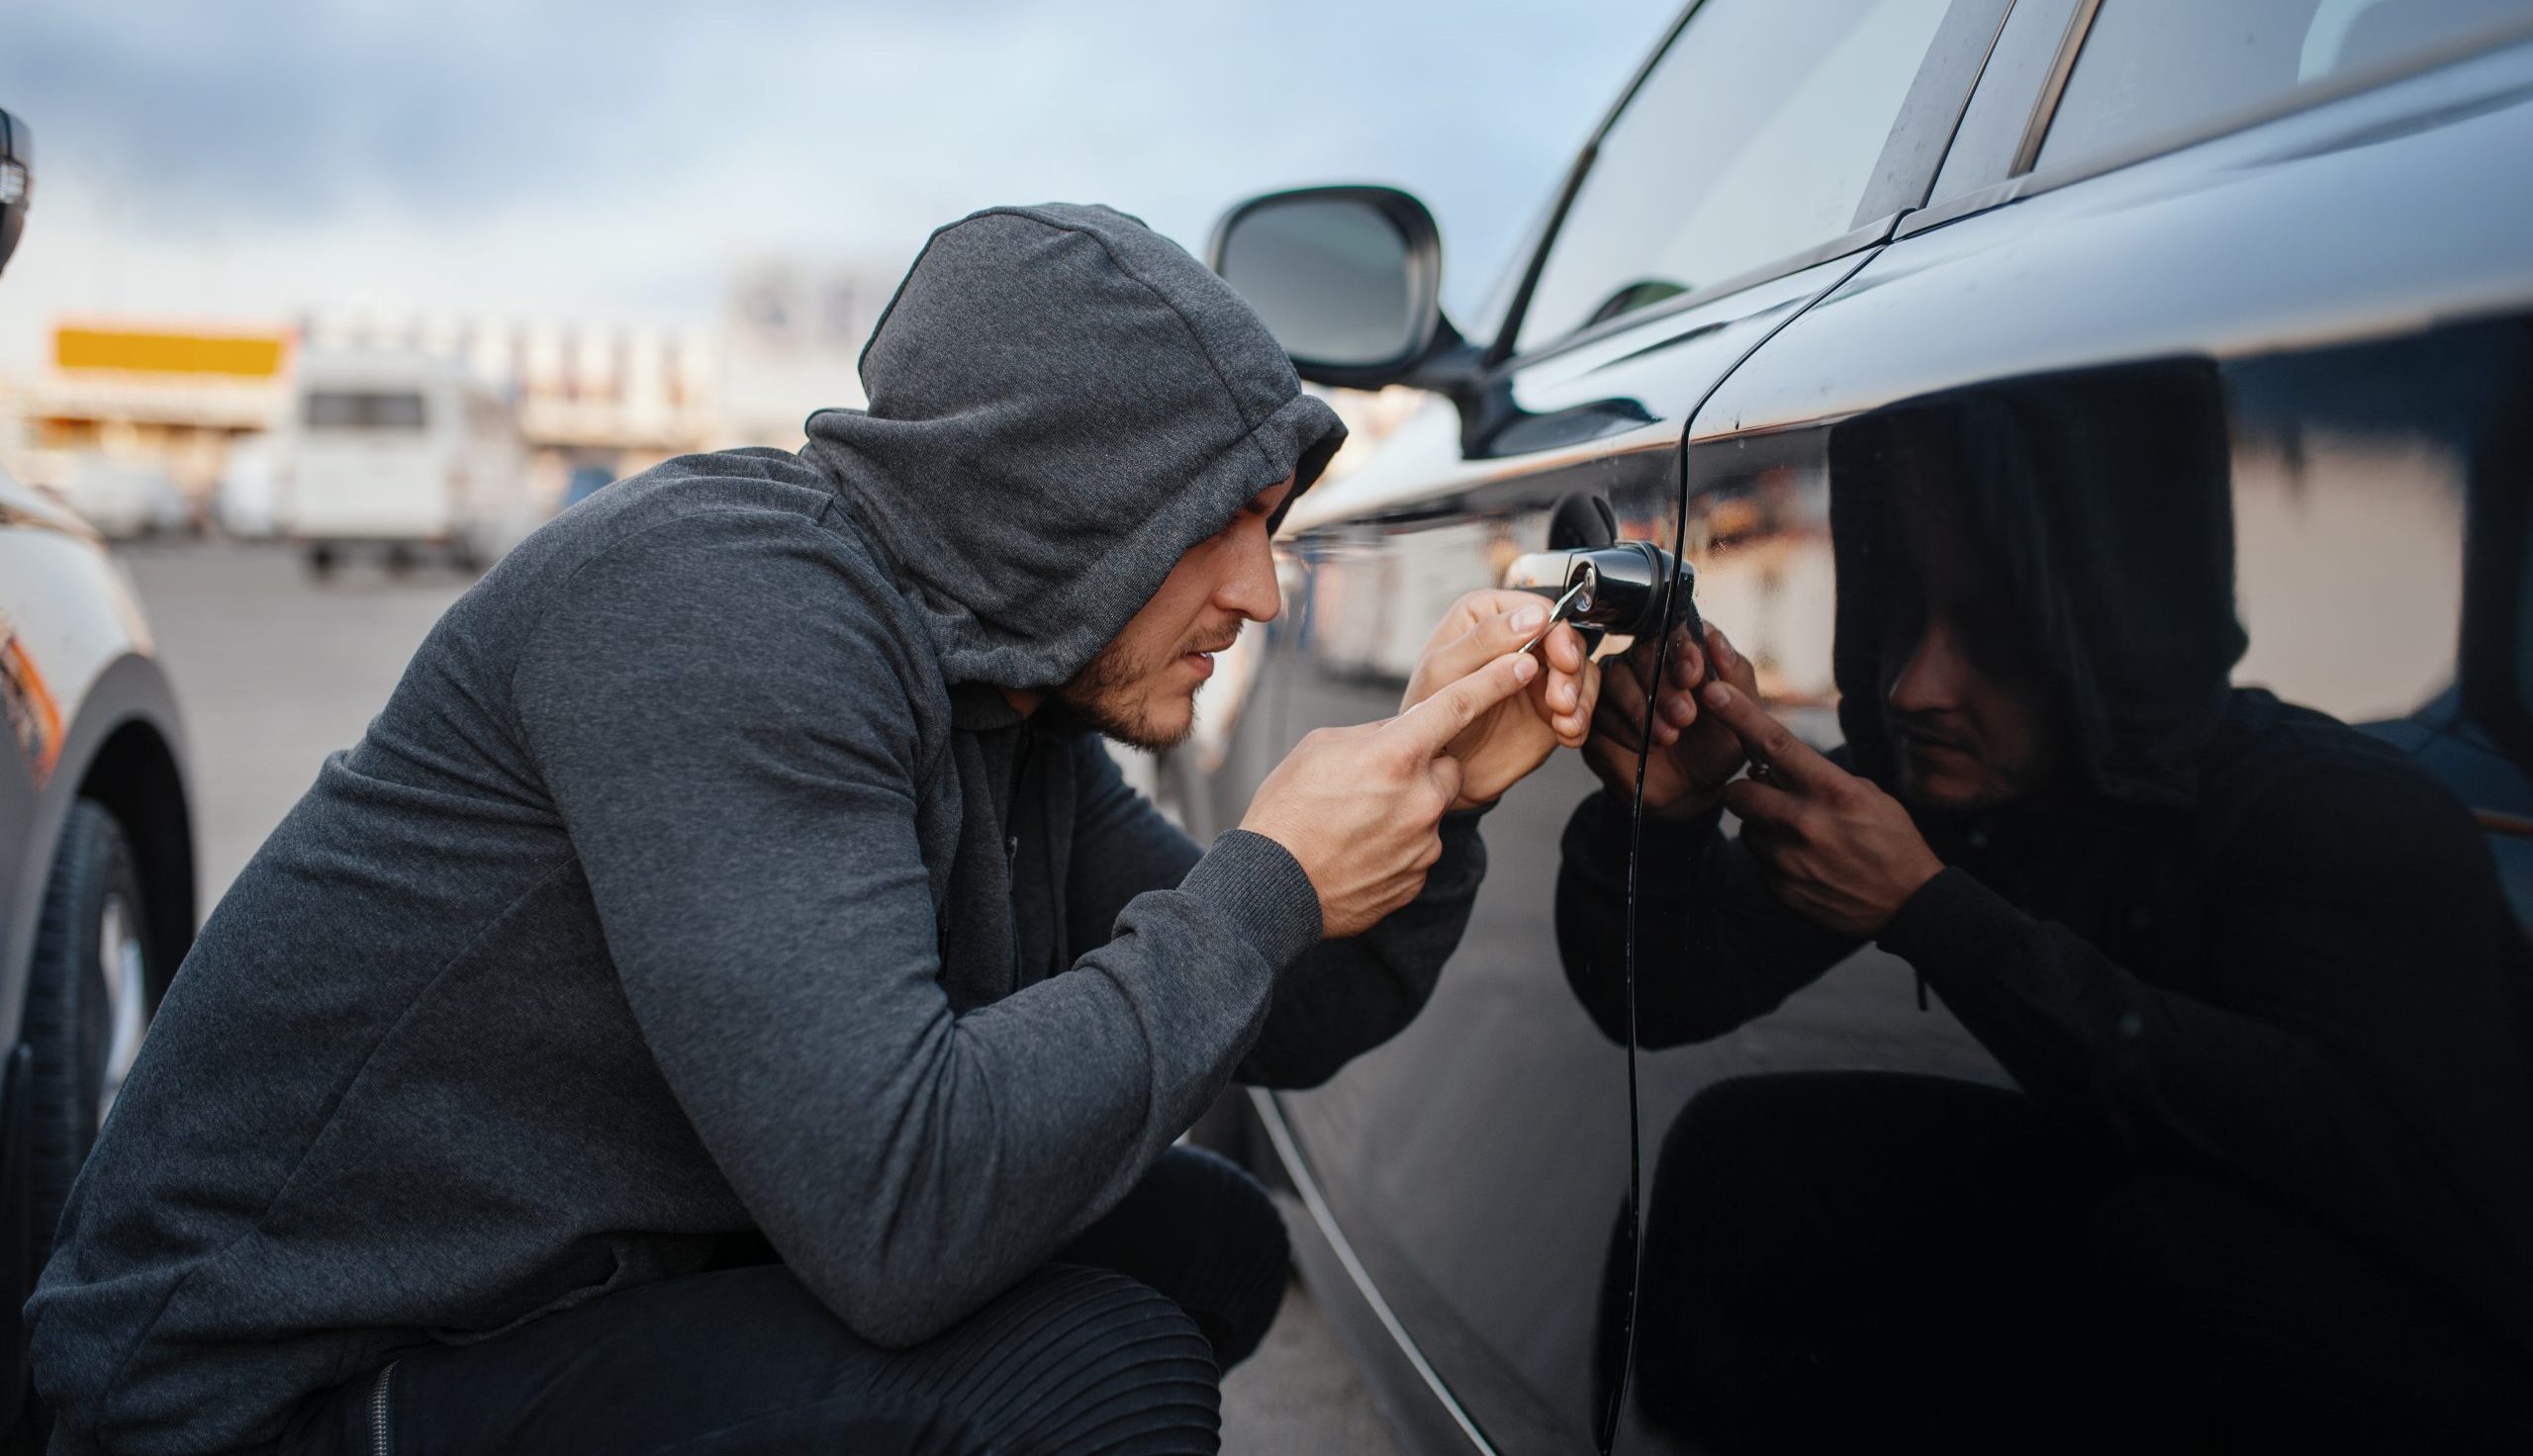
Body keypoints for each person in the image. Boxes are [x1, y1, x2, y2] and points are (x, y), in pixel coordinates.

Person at [29, 204, 1598, 1456]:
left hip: (573, 1291)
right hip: (270, 1392)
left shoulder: (1011, 694)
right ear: (1061, 498)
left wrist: (1440, 785)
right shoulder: (720, 612)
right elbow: (900, 1216)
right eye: (1219, 522)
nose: (1259, 592)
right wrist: (1256, 889)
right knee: (1087, 1372)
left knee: (1202, 1241)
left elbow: (1278, 1002)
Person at [1559, 362, 2533, 1448]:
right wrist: (1670, 820)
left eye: (1995, 628)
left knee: (2176, 1253)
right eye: (1903, 608)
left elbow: (2420, 1202)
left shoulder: (2339, 824)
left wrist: (1932, 912)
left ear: (2112, 622)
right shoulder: (1950, 776)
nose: (1913, 687)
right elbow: (1668, 992)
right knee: (1746, 1167)